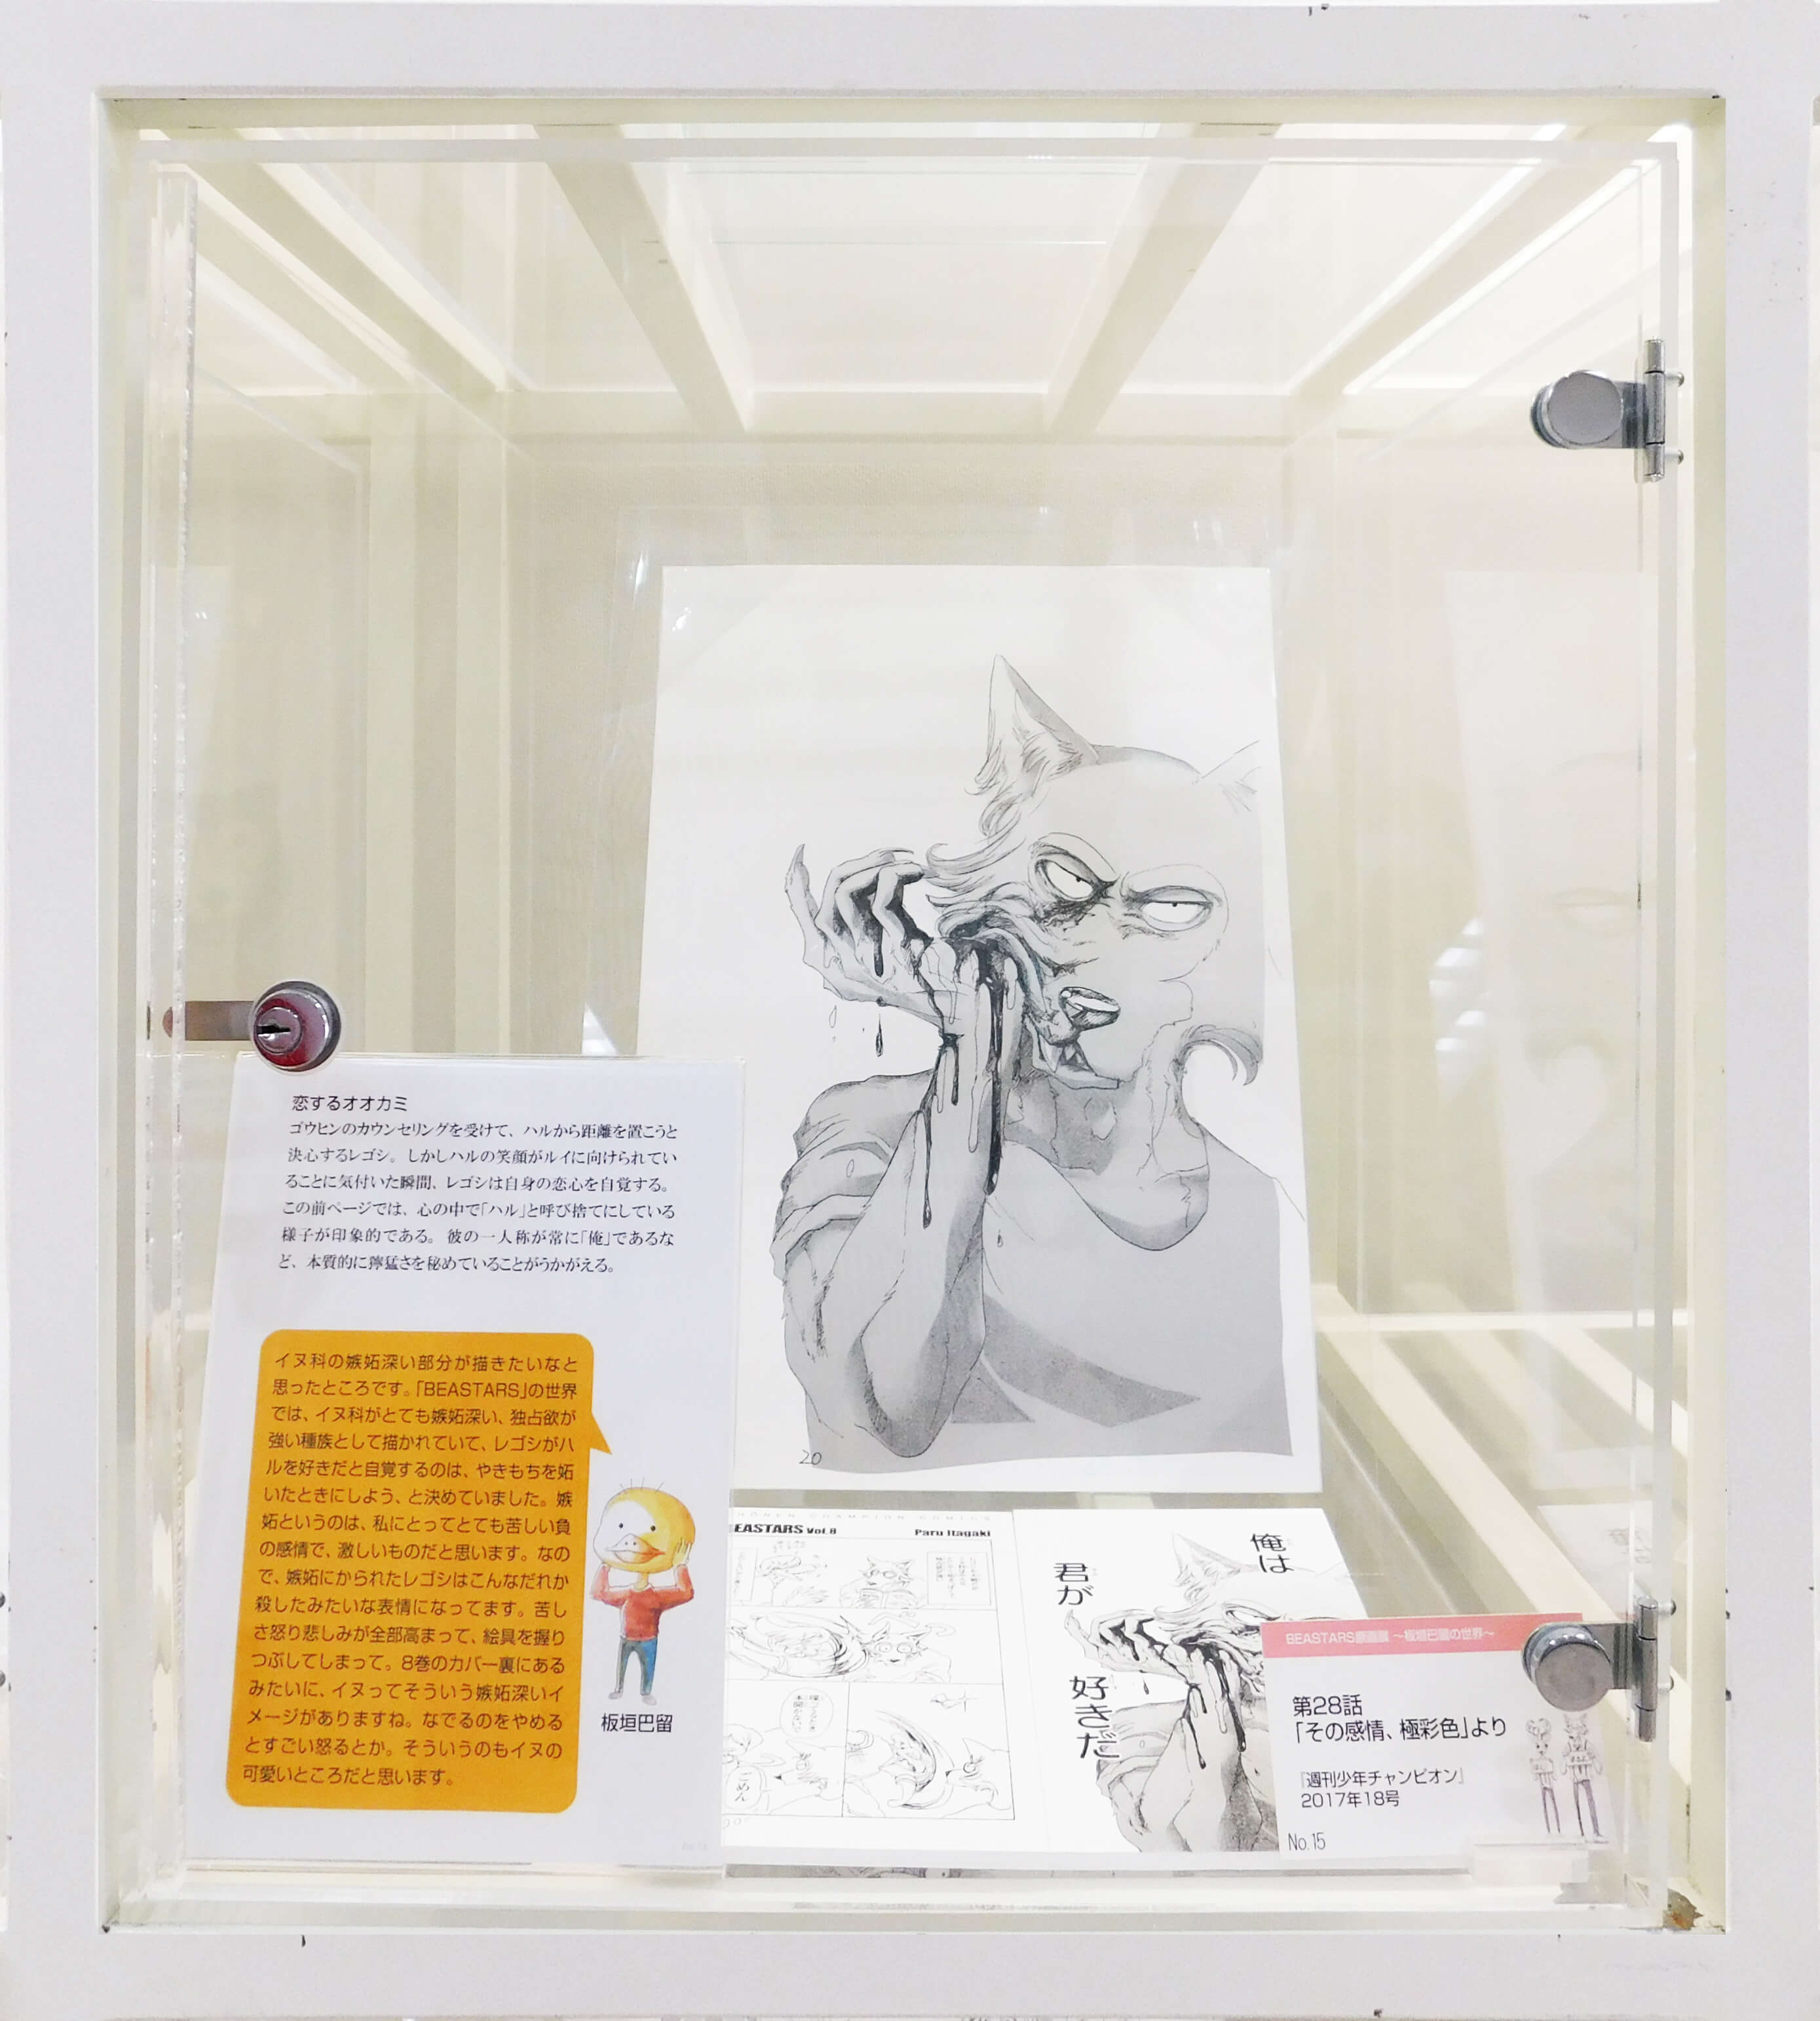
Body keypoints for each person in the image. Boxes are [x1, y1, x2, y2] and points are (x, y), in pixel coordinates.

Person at [776, 657, 1289, 1471]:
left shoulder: (1255, 1203)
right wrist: (971, 1050)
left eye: (1169, 908)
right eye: (1066, 885)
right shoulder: (868, 1131)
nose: (1095, 941)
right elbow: (884, 1411)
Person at [591, 1487, 696, 1702]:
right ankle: (619, 1689)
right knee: (622, 1667)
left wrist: (680, 1566)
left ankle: (646, 1693)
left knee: (648, 1667)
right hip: (626, 1637)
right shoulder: (626, 1594)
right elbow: (600, 1593)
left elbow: (686, 1593)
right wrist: (605, 1566)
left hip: (649, 1639)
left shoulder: (657, 1597)